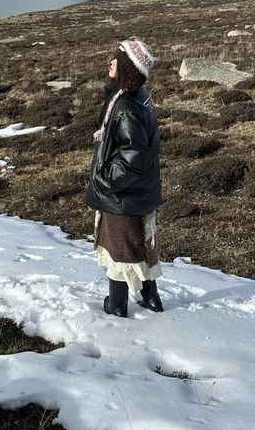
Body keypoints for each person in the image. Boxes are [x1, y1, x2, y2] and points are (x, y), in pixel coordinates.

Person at [84, 39, 163, 317]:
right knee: (138, 244)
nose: (110, 64)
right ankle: (151, 298)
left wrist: (105, 179)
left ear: (127, 67)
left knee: (118, 249)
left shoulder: (126, 106)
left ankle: (117, 308)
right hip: (139, 192)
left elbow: (132, 159)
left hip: (123, 196)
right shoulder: (141, 96)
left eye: (116, 60)